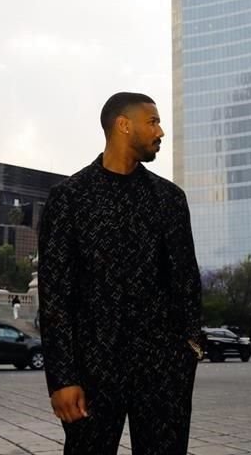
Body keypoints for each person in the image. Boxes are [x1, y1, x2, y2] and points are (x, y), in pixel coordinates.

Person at [39, 92, 203, 454]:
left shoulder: (169, 199)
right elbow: (55, 296)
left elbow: (186, 283)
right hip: (92, 373)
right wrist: (62, 379)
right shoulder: (69, 198)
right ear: (123, 125)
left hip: (162, 374)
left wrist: (188, 350)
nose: (161, 131)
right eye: (153, 121)